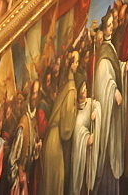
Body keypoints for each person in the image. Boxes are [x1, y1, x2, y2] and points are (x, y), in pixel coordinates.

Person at [93, 14, 128, 193]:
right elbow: (103, 76)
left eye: (112, 23)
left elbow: (114, 68)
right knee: (109, 151)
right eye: (108, 25)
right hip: (108, 112)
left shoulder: (110, 47)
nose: (112, 27)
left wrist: (124, 67)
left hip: (113, 112)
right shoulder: (104, 51)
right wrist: (113, 90)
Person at [41, 51, 80, 195]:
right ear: (71, 64)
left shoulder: (65, 83)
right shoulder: (71, 88)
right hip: (55, 141)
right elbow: (66, 130)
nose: (78, 64)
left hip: (51, 140)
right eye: (76, 62)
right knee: (56, 184)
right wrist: (78, 112)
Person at [69, 81, 99, 195]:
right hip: (80, 156)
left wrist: (96, 111)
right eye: (82, 90)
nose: (85, 92)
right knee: (81, 186)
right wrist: (86, 140)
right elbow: (78, 133)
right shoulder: (76, 113)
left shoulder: (90, 103)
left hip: (89, 156)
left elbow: (97, 105)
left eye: (86, 89)